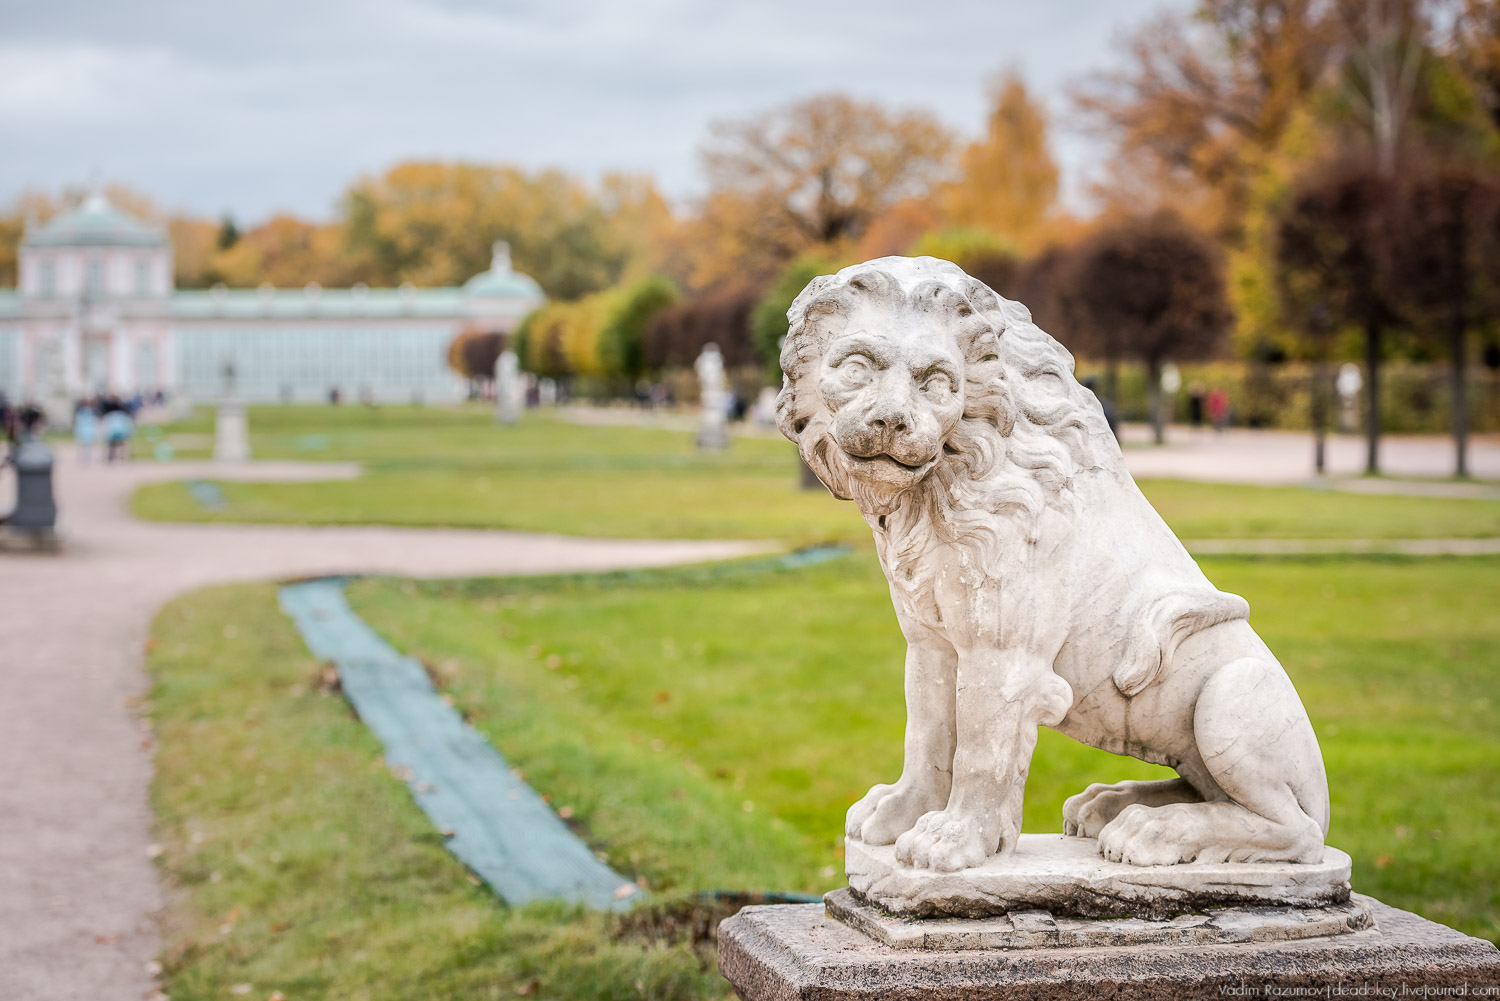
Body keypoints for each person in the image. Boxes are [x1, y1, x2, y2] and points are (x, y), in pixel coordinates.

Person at [73, 399, 100, 464]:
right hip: (85, 429)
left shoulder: (91, 411)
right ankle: (85, 457)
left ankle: (86, 457)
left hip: (87, 429)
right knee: (85, 445)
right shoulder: (83, 412)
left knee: (87, 445)